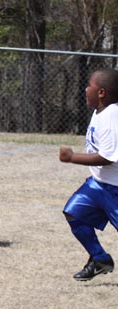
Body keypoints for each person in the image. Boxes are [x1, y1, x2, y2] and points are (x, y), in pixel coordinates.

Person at [59, 68, 118, 281]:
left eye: (89, 85)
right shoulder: (99, 111)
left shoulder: (112, 116)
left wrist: (72, 157)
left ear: (101, 92)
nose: (85, 89)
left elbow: (107, 157)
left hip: (115, 189)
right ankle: (100, 258)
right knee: (74, 213)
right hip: (98, 184)